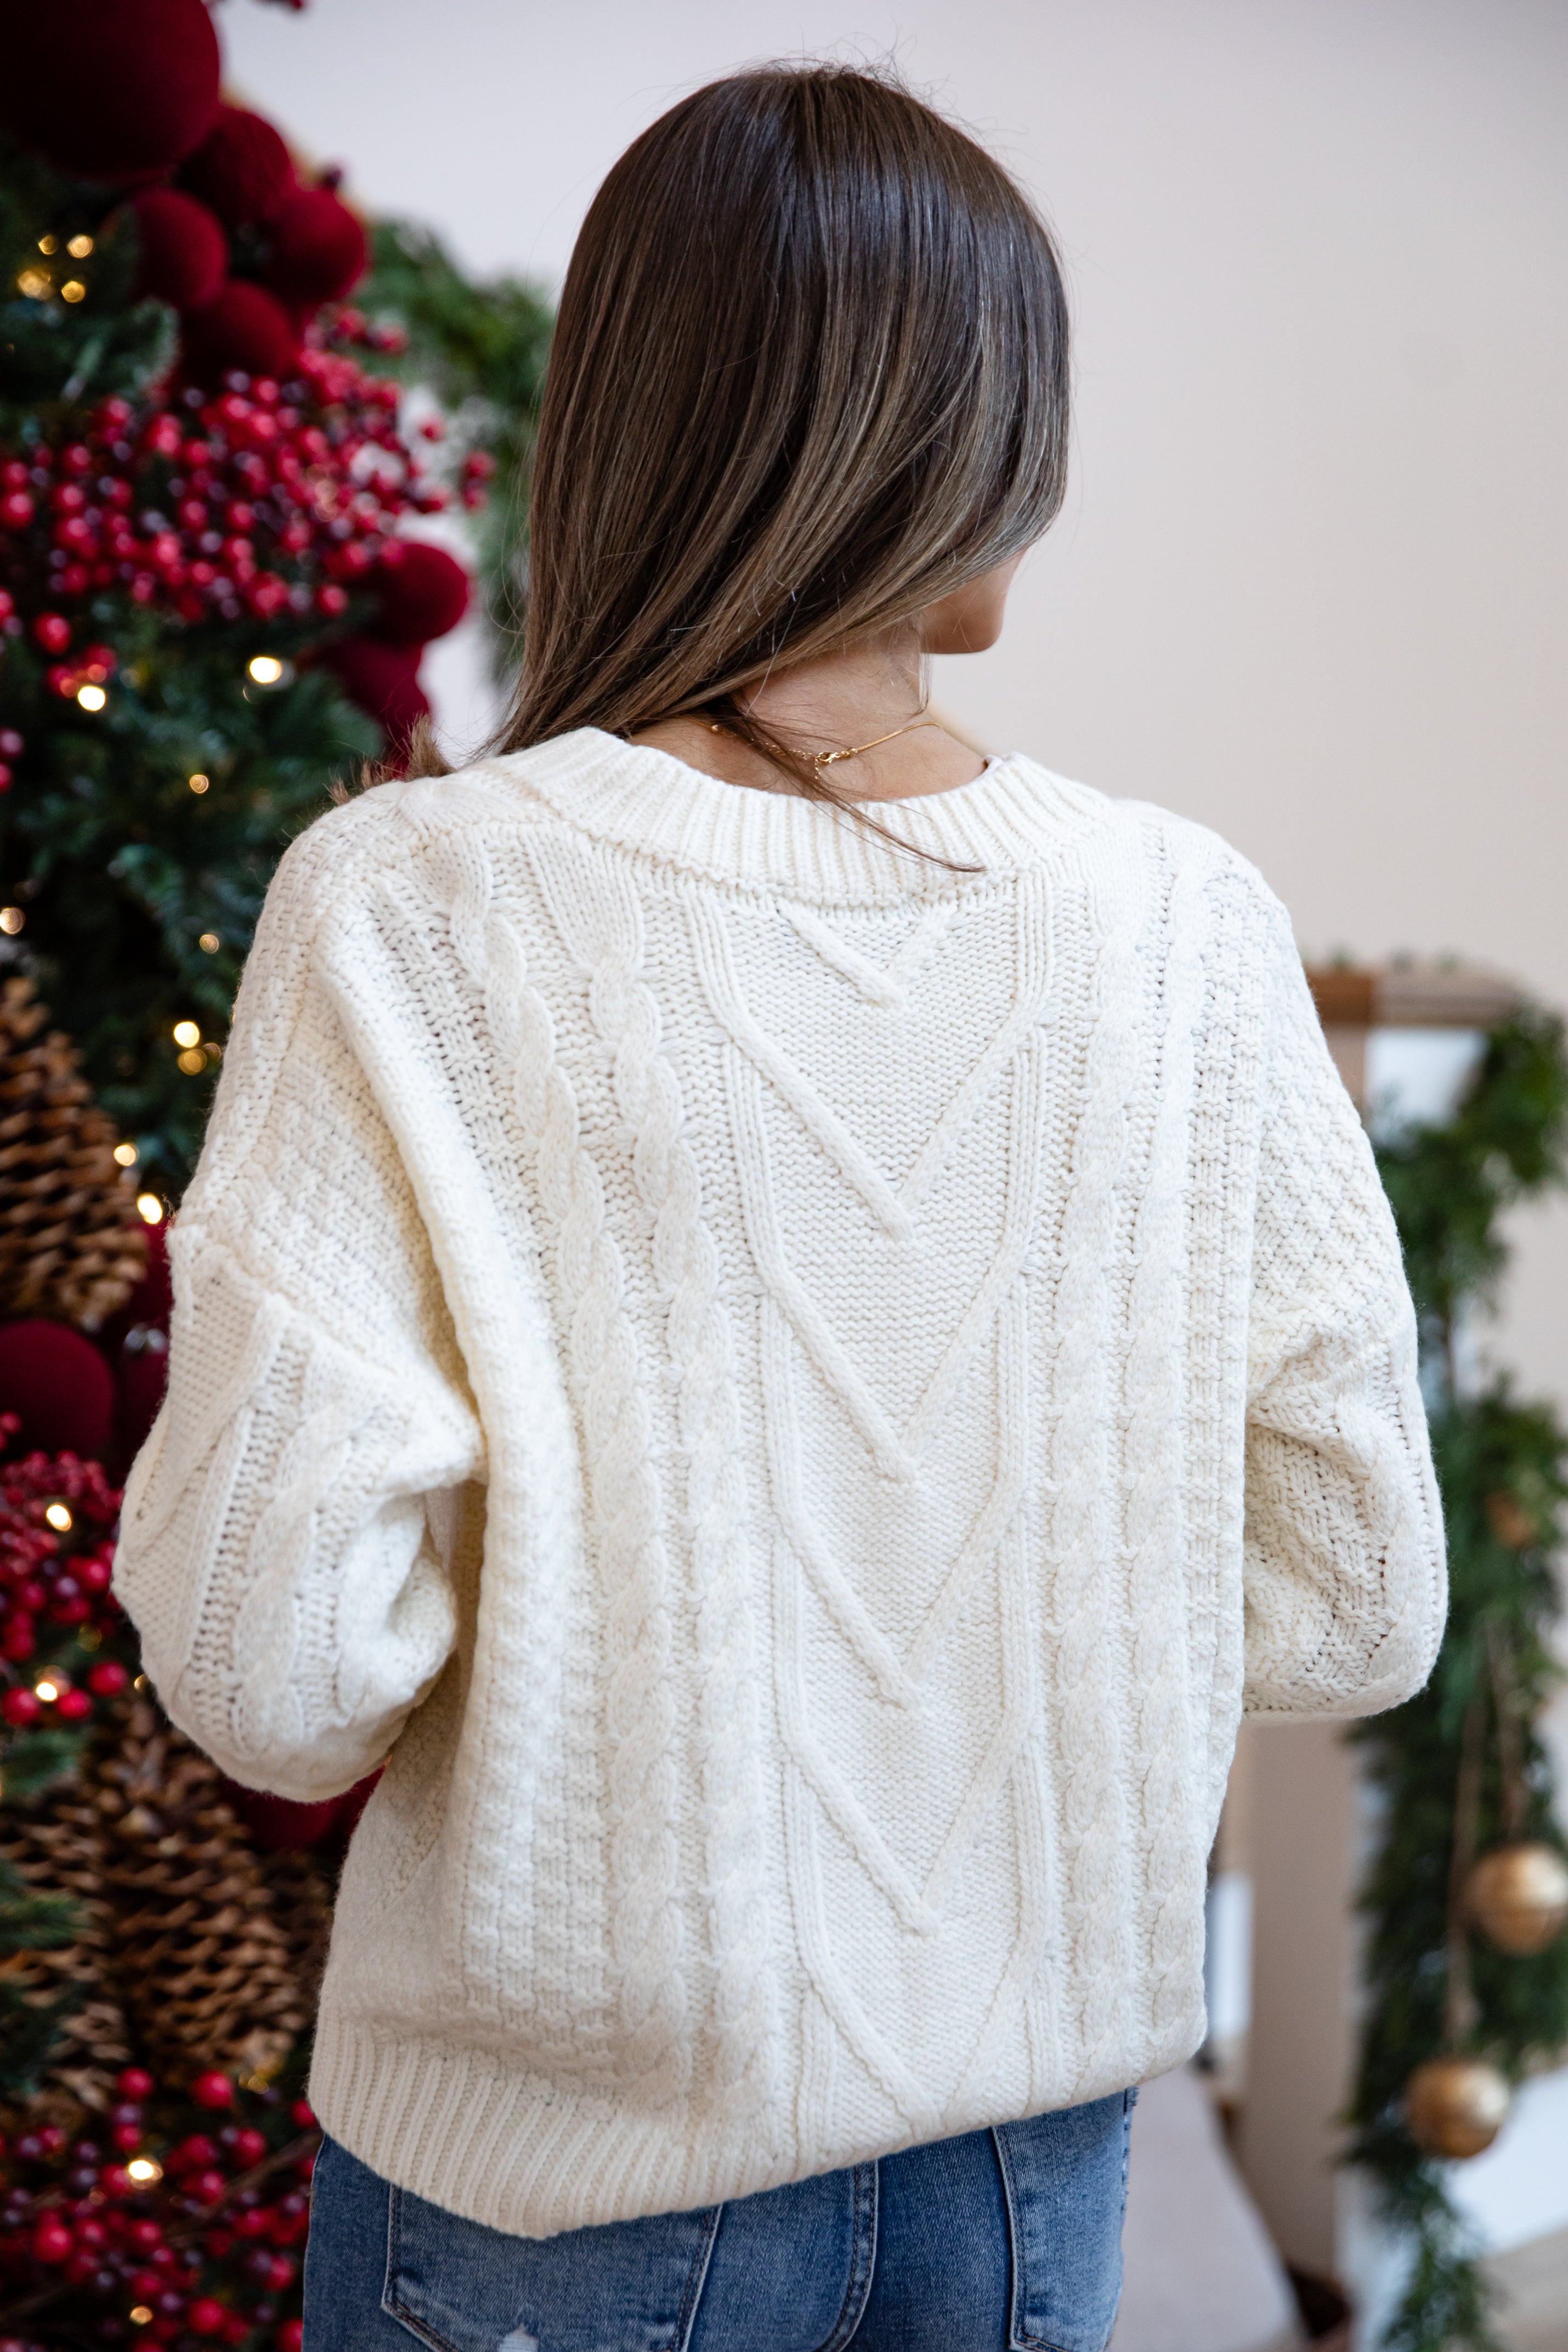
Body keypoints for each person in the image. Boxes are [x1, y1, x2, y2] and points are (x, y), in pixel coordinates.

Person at [113, 61, 1447, 2352]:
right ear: (979, 447)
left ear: (633, 421)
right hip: (1029, 2192)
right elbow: (1349, 1595)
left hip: (556, 2200)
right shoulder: (1183, 923)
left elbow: (274, 1666)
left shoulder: (419, 905)